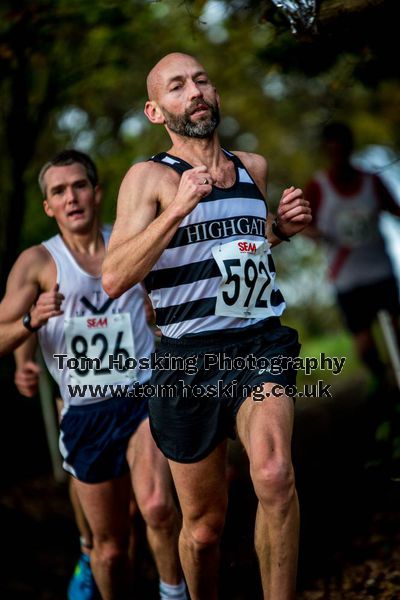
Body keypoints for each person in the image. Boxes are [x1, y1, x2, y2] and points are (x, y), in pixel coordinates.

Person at [102, 53, 312, 600]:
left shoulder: (253, 168)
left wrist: (278, 232)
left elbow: (234, 251)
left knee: (273, 474)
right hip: (186, 358)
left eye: (200, 80)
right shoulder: (147, 177)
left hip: (256, 343)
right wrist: (176, 209)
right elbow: (114, 277)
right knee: (202, 529)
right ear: (155, 110)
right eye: (177, 87)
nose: (194, 91)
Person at [0, 149, 187, 600]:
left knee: (159, 508)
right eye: (58, 191)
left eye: (79, 186)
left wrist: (157, 310)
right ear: (48, 205)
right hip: (85, 411)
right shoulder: (37, 262)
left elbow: (179, 297)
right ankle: (92, 560)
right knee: (111, 546)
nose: (71, 198)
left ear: (97, 192)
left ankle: (173, 593)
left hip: (143, 396)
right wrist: (30, 323)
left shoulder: (130, 244)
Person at [304, 121, 400, 381]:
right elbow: (303, 225)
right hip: (347, 278)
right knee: (364, 343)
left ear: (350, 147)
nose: (339, 154)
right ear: (326, 150)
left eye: (343, 148)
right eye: (333, 148)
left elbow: (395, 210)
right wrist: (319, 235)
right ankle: (382, 382)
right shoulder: (318, 187)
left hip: (381, 269)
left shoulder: (372, 181)